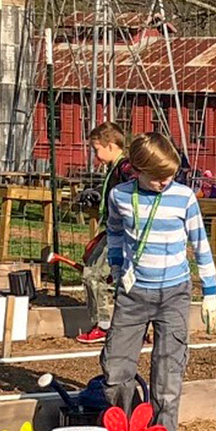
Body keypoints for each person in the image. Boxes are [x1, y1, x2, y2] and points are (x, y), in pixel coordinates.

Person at [101, 132, 216, 431]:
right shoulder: (120, 197)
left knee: (168, 374)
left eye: (169, 175)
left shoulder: (183, 198)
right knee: (115, 369)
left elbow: (200, 244)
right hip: (133, 294)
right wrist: (117, 268)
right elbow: (114, 233)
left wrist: (210, 292)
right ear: (137, 170)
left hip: (174, 294)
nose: (164, 181)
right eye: (157, 176)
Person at [75, 122, 134, 344]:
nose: (96, 154)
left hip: (121, 231)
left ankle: (104, 325)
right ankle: (129, 325)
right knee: (116, 277)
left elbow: (134, 186)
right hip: (112, 229)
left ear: (110, 146)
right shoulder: (113, 169)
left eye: (97, 148)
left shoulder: (126, 168)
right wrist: (100, 195)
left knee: (93, 274)